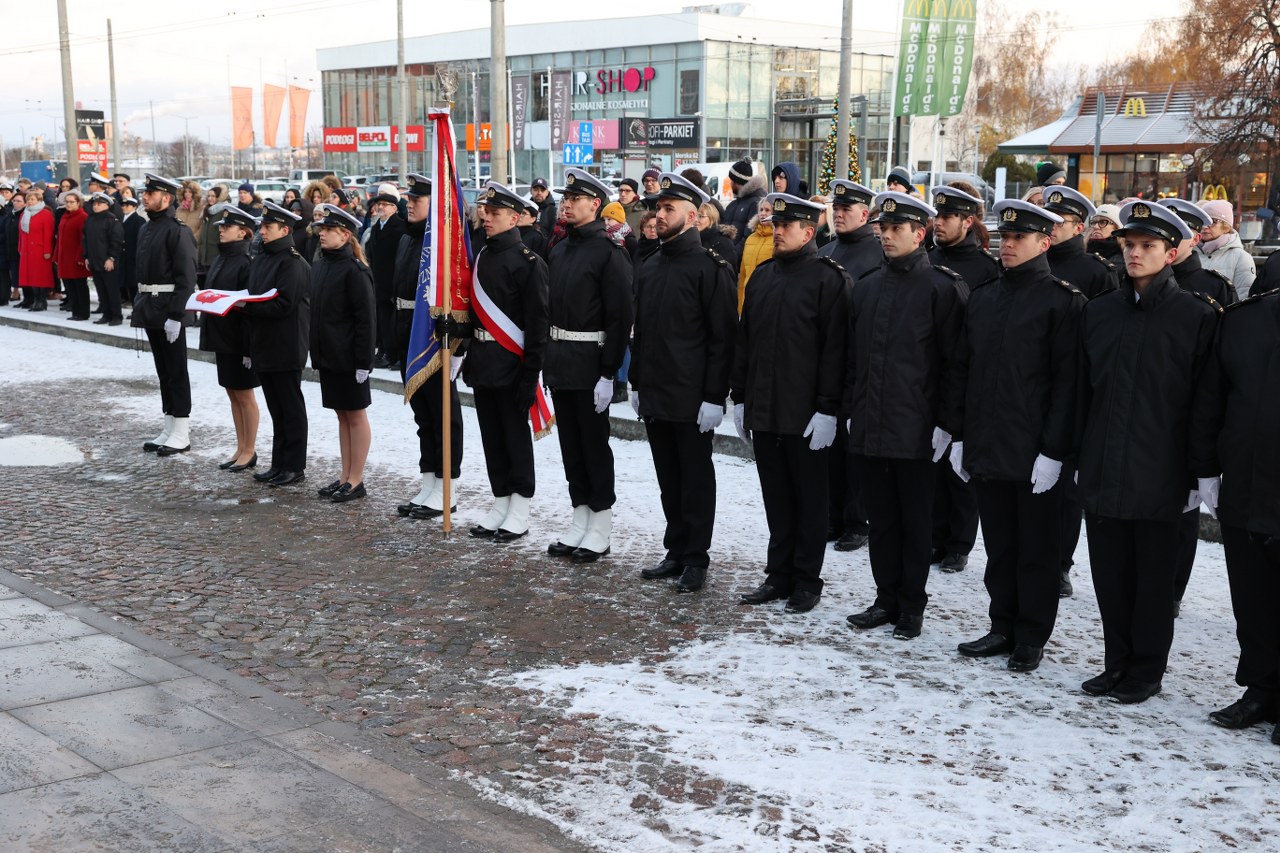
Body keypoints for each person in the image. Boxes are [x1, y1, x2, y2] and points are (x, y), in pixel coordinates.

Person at [1076, 200, 1220, 704]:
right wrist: (1076, 456)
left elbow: (1205, 401)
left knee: (1153, 582)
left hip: (1161, 471)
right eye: (1129, 245)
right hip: (1104, 465)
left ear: (1171, 252)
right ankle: (1116, 663)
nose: (1134, 254)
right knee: (1110, 577)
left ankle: (1146, 670)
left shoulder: (1196, 316)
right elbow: (1083, 391)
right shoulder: (1100, 311)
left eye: (1147, 246)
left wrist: (1200, 472)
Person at [951, 199, 1084, 673]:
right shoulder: (984, 296)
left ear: (1044, 243)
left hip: (1035, 452)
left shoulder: (1063, 302)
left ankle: (1030, 636)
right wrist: (961, 435)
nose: (1007, 245)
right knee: (1001, 547)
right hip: (989, 444)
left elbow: (1068, 385)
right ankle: (1002, 625)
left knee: (1037, 551)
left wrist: (1054, 452)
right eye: (1004, 237)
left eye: (1018, 238)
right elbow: (965, 370)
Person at [844, 191, 967, 640]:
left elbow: (955, 364)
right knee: (881, 520)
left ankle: (911, 605)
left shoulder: (941, 288)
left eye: (897, 229)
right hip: (872, 422)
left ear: (920, 233)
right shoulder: (867, 286)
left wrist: (947, 424)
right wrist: (851, 409)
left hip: (917, 428)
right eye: (883, 228)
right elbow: (853, 359)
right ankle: (885, 598)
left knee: (915, 522)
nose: (886, 236)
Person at [732, 193, 850, 613]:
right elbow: (746, 342)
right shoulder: (763, 276)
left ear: (809, 230)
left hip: (806, 413)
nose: (777, 231)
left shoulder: (829, 280)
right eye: (775, 224)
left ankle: (806, 579)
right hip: (766, 407)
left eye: (786, 226)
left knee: (810, 500)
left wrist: (828, 408)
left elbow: (836, 351)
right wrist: (740, 397)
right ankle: (778, 574)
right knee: (777, 497)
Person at [632, 173, 737, 593]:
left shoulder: (710, 268)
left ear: (692, 217)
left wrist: (714, 396)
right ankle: (675, 549)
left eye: (668, 208)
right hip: (656, 391)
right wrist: (636, 382)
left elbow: (722, 337)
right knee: (668, 479)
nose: (659, 215)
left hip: (691, 396)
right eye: (658, 208)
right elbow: (641, 332)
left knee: (694, 479)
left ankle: (695, 557)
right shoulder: (651, 265)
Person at [1190, 286, 1280, 738]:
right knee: (1252, 597)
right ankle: (1260, 690)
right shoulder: (1244, 319)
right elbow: (1213, 398)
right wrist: (1206, 466)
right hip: (1247, 484)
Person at [543, 168, 634, 562]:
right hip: (562, 361)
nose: (566, 205)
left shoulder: (609, 252)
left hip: (591, 364)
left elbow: (620, 317)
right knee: (571, 448)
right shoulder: (560, 249)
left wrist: (608, 372)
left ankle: (600, 524)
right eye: (564, 198)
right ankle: (579, 518)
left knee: (594, 448)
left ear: (595, 204)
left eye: (574, 199)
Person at [1042, 185, 1118, 598]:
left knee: (1065, 490)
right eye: (1049, 221)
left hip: (1076, 385)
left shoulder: (1095, 271)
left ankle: (1060, 564)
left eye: (1061, 222)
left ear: (1078, 227)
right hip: (1036, 387)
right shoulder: (1033, 260)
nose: (1052, 228)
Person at [463, 181, 550, 541]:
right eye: (485, 211)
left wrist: (530, 375)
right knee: (492, 438)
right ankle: (500, 500)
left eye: (495, 213)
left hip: (512, 365)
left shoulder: (528, 263)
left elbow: (537, 324)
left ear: (514, 218)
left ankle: (520, 507)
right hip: (483, 361)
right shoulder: (483, 255)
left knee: (515, 438)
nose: (486, 217)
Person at [928, 185, 1000, 574]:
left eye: (947, 217)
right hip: (930, 374)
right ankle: (936, 536)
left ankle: (959, 543)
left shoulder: (985, 268)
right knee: (932, 463)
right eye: (936, 216)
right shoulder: (929, 258)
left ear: (967, 221)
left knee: (959, 466)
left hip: (967, 375)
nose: (938, 223)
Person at [391, 175, 464, 519]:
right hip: (408, 332)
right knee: (423, 416)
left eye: (416, 200)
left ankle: (447, 486)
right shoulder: (407, 238)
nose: (409, 204)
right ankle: (429, 481)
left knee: (443, 416)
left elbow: (458, 294)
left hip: (435, 338)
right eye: (408, 199)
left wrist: (459, 348)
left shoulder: (443, 243)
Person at [818, 180, 883, 553]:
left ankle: (858, 520)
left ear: (865, 213)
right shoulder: (825, 251)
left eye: (847, 209)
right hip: (825, 361)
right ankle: (832, 514)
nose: (839, 214)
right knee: (828, 447)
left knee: (854, 445)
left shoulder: (877, 254)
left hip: (859, 361)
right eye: (836, 208)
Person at [238, 201, 310, 487]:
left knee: (290, 408)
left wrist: (246, 307)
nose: (262, 231)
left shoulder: (293, 262)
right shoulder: (262, 258)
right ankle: (279, 463)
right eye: (262, 227)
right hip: (265, 342)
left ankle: (294, 465)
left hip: (286, 344)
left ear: (285, 230)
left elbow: (284, 305)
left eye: (268, 227)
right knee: (276, 408)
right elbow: (254, 293)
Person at [308, 203, 376, 502]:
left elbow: (366, 320)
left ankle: (356, 479)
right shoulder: (322, 265)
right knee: (342, 415)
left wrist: (363, 361)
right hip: (329, 355)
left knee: (355, 415)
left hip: (349, 356)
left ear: (345, 235)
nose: (321, 234)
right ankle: (345, 474)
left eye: (328, 230)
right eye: (321, 229)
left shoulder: (355, 270)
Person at [133, 174, 199, 456]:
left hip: (169, 308)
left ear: (166, 198)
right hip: (150, 306)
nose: (145, 197)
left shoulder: (177, 231)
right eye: (145, 193)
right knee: (163, 370)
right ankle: (169, 425)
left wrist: (176, 314)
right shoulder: (147, 228)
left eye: (150, 194)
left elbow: (186, 278)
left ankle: (181, 431)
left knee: (176, 370)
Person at [198, 206, 259, 472]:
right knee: (232, 394)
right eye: (221, 226)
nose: (221, 230)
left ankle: (250, 449)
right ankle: (240, 446)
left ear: (243, 232)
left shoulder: (246, 262)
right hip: (222, 336)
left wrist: (248, 348)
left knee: (244, 395)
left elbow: (249, 308)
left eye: (226, 227)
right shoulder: (221, 258)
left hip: (238, 338)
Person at [365, 183, 407, 370]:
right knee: (381, 319)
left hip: (393, 283)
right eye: (379, 204)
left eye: (385, 204)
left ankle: (395, 354)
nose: (380, 207)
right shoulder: (376, 228)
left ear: (394, 208)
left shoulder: (400, 227)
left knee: (393, 320)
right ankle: (383, 351)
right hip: (378, 282)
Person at [1197, 199, 1256, 302]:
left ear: (1226, 226)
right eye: (1203, 221)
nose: (1205, 227)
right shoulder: (1189, 251)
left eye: (1212, 222)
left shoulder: (1241, 258)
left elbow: (1244, 298)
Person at [83, 192, 125, 326]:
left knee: (112, 290)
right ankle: (106, 314)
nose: (95, 206)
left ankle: (116, 316)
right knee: (101, 290)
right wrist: (86, 256)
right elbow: (85, 239)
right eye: (94, 204)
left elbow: (116, 241)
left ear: (107, 205)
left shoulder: (112, 221)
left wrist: (111, 258)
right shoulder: (90, 219)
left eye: (99, 204)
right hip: (94, 260)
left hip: (107, 261)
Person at [55, 190, 91, 321]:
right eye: (67, 202)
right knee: (70, 286)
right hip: (65, 257)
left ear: (79, 203)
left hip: (75, 259)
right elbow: (60, 238)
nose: (68, 204)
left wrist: (80, 257)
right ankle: (75, 311)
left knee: (80, 286)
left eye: (72, 202)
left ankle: (83, 313)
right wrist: (56, 255)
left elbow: (83, 239)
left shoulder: (82, 217)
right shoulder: (65, 216)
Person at [17, 188, 55, 311]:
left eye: (32, 199)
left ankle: (42, 301)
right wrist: (20, 247)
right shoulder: (24, 213)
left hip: (40, 250)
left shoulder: (45, 214)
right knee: (31, 276)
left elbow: (48, 234)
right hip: (27, 250)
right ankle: (35, 300)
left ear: (39, 200)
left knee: (41, 276)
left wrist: (47, 251)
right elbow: (21, 233)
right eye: (28, 199)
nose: (29, 201)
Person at [737, 198, 774, 314]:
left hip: (767, 303)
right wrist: (740, 306)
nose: (763, 213)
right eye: (761, 210)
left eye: (767, 210)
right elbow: (743, 275)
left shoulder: (778, 240)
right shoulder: (750, 238)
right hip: (747, 301)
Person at [723, 159, 766, 247]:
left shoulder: (755, 204)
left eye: (731, 180)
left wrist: (733, 253)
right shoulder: (732, 205)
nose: (730, 183)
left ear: (736, 181)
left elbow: (748, 237)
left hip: (738, 254)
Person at [696, 203, 739, 273]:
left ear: (712, 219)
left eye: (701, 216)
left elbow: (728, 271)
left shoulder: (723, 242)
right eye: (694, 215)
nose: (696, 220)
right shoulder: (691, 239)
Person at [197, 186, 227, 283]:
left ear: (219, 197)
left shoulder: (223, 212)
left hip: (216, 256)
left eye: (213, 196)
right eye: (208, 196)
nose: (210, 198)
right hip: (204, 257)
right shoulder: (206, 211)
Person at [119, 196, 144, 310]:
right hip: (124, 258)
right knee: (128, 286)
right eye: (123, 205)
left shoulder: (138, 220)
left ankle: (137, 310)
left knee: (134, 287)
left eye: (127, 205)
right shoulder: (121, 219)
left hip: (133, 258)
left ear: (134, 207)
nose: (124, 207)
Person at [8, 191, 26, 307]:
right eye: (14, 201)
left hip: (21, 247)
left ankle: (26, 294)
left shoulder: (24, 214)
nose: (15, 203)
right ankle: (16, 291)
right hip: (11, 246)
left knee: (22, 272)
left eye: (19, 201)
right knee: (14, 271)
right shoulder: (11, 214)